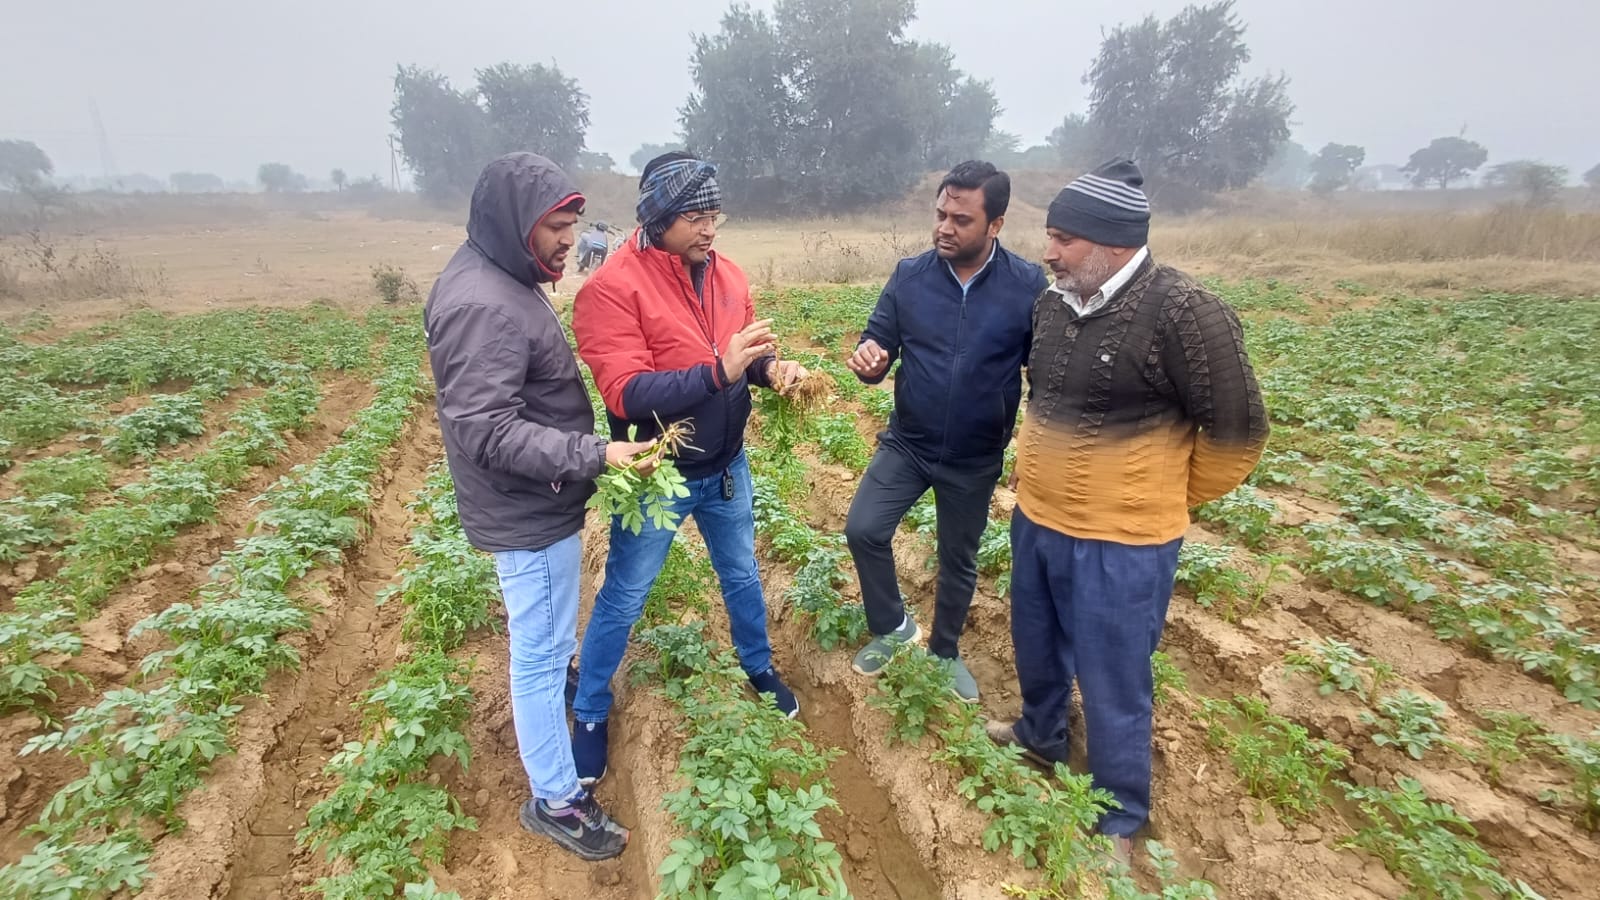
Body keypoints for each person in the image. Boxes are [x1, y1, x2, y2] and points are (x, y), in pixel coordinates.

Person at [985, 158, 1269, 860]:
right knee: (1037, 644)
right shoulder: (1052, 304)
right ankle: (1040, 737)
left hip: (1125, 543)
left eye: (1062, 240)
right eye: (1049, 236)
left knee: (1115, 678)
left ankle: (1118, 814)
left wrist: (1157, 493)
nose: (1047, 252)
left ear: (1113, 245)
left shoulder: (1186, 312)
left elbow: (1238, 434)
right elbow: (1041, 395)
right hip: (1039, 519)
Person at [424, 152, 653, 862]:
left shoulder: (501, 277)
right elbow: (487, 431)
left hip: (533, 502)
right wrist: (594, 454)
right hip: (526, 511)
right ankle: (557, 799)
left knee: (547, 639)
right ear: (515, 222)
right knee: (540, 649)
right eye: (555, 226)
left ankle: (557, 721)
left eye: (573, 224)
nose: (567, 239)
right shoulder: (481, 303)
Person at [570, 152, 806, 786]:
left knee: (742, 575)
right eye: (695, 217)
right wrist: (718, 371)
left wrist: (771, 371)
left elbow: (745, 355)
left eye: (714, 215)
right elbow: (625, 393)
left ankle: (757, 666)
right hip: (657, 475)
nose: (709, 229)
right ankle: (590, 709)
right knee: (624, 595)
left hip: (727, 465)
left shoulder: (727, 275)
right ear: (659, 217)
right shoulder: (611, 288)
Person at [843, 161, 1047, 703]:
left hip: (975, 455)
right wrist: (869, 360)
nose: (944, 227)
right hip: (909, 442)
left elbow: (1044, 371)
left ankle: (945, 651)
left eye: (961, 218)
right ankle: (893, 628)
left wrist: (1033, 437)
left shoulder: (1027, 285)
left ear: (995, 225)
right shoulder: (910, 276)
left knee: (958, 557)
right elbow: (876, 345)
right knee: (864, 528)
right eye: (940, 214)